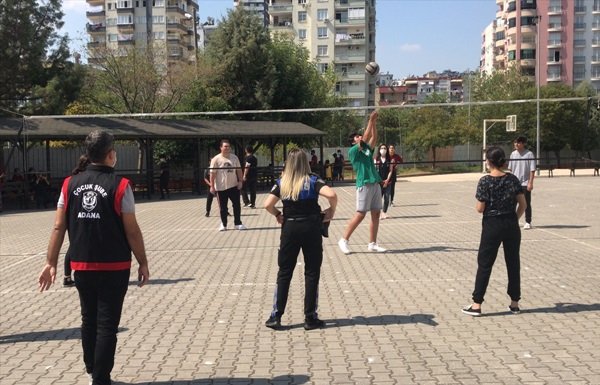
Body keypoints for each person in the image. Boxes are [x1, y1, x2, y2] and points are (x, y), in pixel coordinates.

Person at [38, 130, 150, 385]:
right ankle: (100, 378)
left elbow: (58, 227)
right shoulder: (121, 186)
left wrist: (50, 263)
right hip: (115, 265)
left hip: (82, 265)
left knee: (88, 320)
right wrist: (142, 261)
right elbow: (131, 230)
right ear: (111, 154)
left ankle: (92, 370)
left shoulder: (69, 184)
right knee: (107, 325)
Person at [264, 148, 337, 330]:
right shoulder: (313, 180)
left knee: (285, 271)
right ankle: (310, 316)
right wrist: (331, 211)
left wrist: (278, 214)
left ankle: (276, 315)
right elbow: (332, 195)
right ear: (306, 162)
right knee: (312, 272)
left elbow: (267, 205)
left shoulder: (282, 182)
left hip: (290, 228)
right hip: (311, 226)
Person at [462, 146, 526, 317]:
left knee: (485, 264)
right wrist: (513, 219)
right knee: (513, 263)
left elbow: (480, 208)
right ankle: (514, 303)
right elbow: (523, 204)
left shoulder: (485, 181)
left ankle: (477, 304)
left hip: (492, 224)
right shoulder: (512, 180)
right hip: (511, 224)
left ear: (488, 162)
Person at [338, 110, 386, 254]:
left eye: (359, 136)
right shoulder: (354, 151)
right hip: (364, 184)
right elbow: (365, 137)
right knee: (360, 214)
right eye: (357, 137)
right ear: (353, 142)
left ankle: (372, 243)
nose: (359, 137)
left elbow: (373, 137)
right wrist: (370, 120)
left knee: (376, 213)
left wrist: (374, 123)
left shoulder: (366, 150)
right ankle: (344, 239)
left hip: (375, 184)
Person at [63, 155, 92, 288]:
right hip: (79, 215)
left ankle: (69, 275)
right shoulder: (81, 179)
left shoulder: (75, 179)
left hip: (78, 215)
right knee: (73, 246)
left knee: (75, 245)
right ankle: (67, 277)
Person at [209, 139, 247, 231]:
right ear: (221, 148)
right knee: (223, 207)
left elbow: (238, 170)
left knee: (237, 205)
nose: (227, 148)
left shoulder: (234, 158)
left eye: (228, 146)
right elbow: (212, 173)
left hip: (233, 185)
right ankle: (223, 224)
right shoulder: (216, 159)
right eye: (225, 146)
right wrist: (212, 186)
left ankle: (238, 223)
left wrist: (240, 181)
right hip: (221, 187)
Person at [508, 136, 535, 229]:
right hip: (515, 183)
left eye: (518, 142)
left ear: (523, 144)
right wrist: (510, 181)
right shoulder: (513, 154)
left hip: (525, 183)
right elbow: (511, 169)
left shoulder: (529, 154)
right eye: (515, 142)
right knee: (513, 203)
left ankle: (528, 221)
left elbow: (532, 170)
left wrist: (530, 183)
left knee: (526, 202)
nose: (516, 144)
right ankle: (514, 220)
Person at [374, 143, 393, 219]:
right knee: (378, 198)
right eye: (382, 148)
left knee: (387, 197)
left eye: (385, 148)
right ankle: (378, 213)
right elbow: (374, 170)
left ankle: (384, 212)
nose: (383, 150)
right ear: (379, 149)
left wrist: (387, 180)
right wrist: (379, 180)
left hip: (388, 182)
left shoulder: (390, 159)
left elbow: (391, 171)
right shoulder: (376, 158)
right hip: (379, 182)